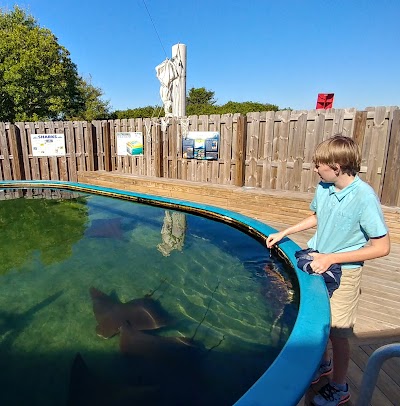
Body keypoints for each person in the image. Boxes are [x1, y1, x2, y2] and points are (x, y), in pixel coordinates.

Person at [266, 135, 390, 406]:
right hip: (318, 261)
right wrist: (284, 232)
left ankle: (340, 386)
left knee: (338, 331)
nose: (315, 169)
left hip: (344, 271)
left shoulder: (364, 197)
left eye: (319, 164)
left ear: (337, 166)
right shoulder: (324, 187)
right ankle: (323, 366)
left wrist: (332, 257)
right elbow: (317, 216)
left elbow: (382, 247)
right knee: (320, 320)